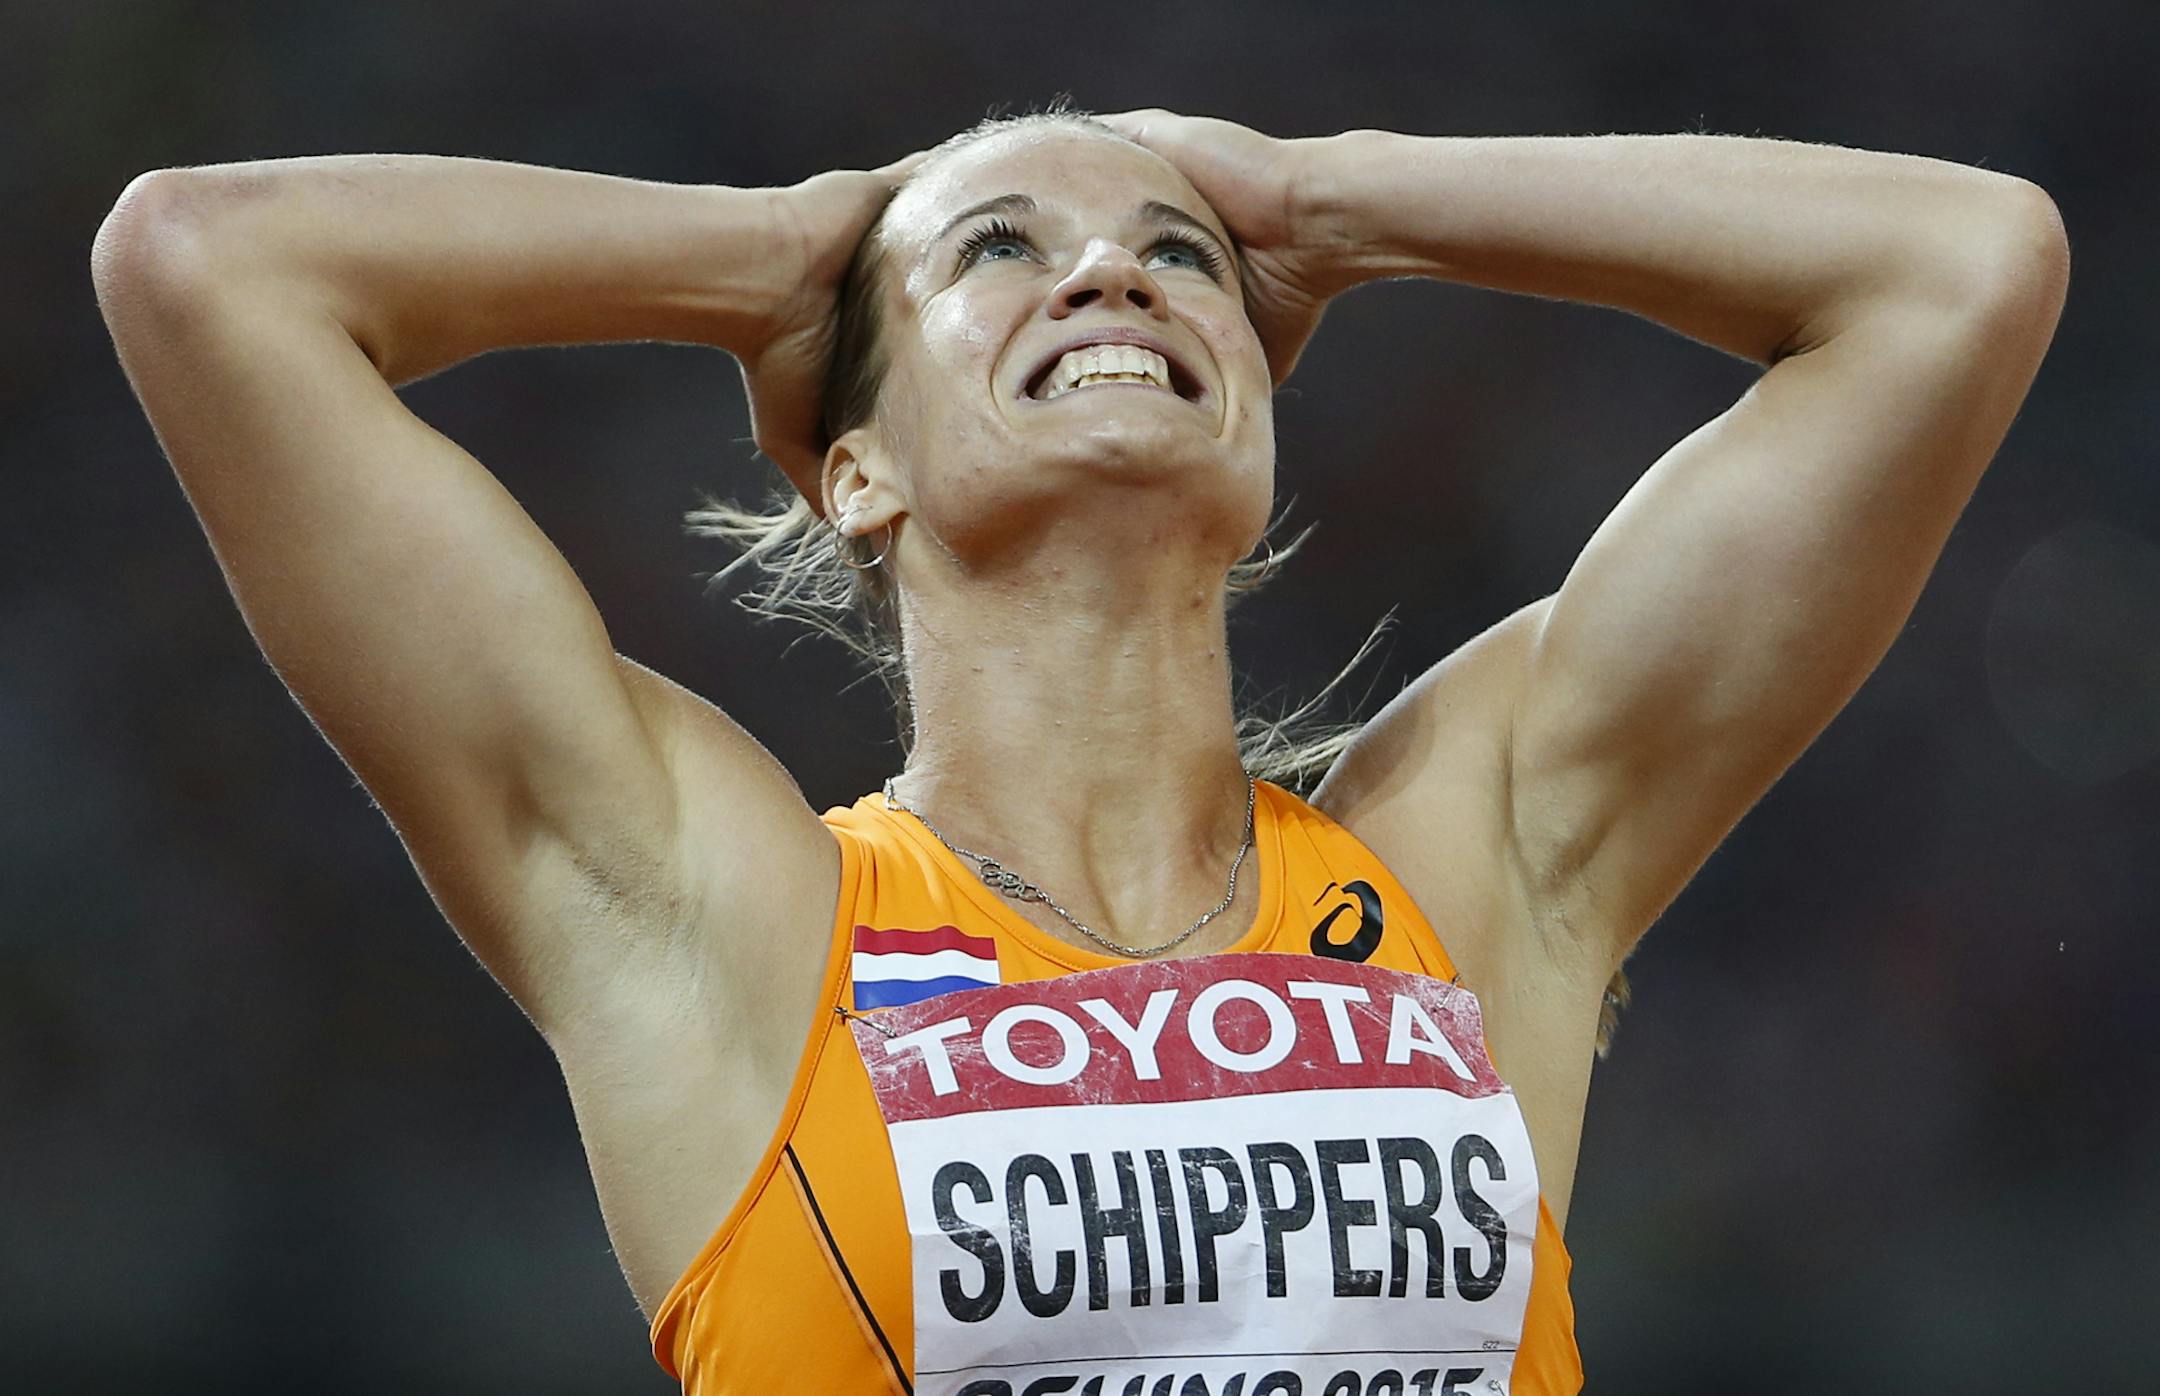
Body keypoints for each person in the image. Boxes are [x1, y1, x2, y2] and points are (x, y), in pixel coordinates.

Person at [90, 101, 2067, 1395]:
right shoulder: (727, 911)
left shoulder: (1472, 861)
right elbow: (206, 265)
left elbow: (1961, 268)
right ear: (851, 464)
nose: (1116, 270)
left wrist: (1329, 199)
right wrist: (794, 248)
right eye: (1006, 254)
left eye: (1182, 254)